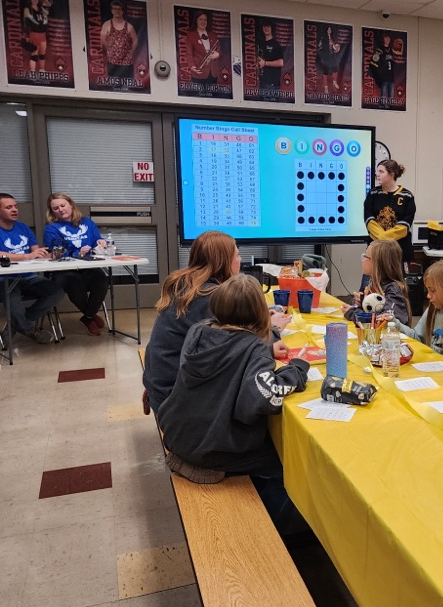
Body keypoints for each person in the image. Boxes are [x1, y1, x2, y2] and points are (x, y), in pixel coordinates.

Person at [156, 275, 309, 535]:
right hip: (211, 450)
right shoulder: (253, 348)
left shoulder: (199, 331)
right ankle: (267, 532)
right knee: (293, 465)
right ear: (261, 313)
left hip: (178, 433)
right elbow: (264, 398)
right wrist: (296, 370)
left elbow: (226, 359)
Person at [143, 231, 289, 415]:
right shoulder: (210, 296)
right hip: (174, 398)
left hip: (159, 384)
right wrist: (271, 328)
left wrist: (258, 316)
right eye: (237, 254)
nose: (240, 259)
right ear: (224, 261)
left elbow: (226, 333)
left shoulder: (187, 284)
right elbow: (234, 351)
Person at [43, 193, 110, 336]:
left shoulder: (87, 222)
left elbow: (96, 240)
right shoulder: (51, 228)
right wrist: (76, 253)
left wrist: (100, 244)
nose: (60, 210)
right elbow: (55, 252)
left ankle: (88, 317)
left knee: (101, 279)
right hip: (64, 269)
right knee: (73, 281)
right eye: (56, 208)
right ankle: (90, 315)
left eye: (63, 205)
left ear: (71, 205)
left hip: (87, 266)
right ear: (52, 212)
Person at [0, 192, 63, 345]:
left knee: (56, 291)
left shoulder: (23, 228)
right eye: (9, 207)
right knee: (12, 297)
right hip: (4, 279)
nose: (15, 210)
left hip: (28, 277)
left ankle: (17, 324)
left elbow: (35, 251)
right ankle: (29, 329)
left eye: (15, 206)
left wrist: (46, 255)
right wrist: (26, 256)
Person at [342, 239, 411, 325]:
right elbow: (372, 311)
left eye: (366, 257)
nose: (363, 260)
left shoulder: (393, 289)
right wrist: (361, 303)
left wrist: (353, 312)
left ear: (377, 263)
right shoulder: (371, 282)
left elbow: (384, 321)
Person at [364, 160, 416, 267]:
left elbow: (404, 226)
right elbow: (369, 219)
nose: (377, 174)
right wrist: (382, 237)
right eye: (377, 171)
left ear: (391, 174)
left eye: (381, 171)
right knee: (369, 282)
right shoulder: (373, 194)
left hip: (399, 253)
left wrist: (383, 238)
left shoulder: (407, 196)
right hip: (376, 252)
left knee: (398, 283)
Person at [99, 0, 137, 80]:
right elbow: (102, 39)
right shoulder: (107, 25)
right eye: (115, 8)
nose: (117, 11)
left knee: (128, 87)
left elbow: (135, 41)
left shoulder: (129, 26)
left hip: (127, 64)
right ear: (112, 10)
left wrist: (130, 53)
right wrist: (109, 50)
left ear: (122, 11)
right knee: (113, 86)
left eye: (119, 9)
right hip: (112, 63)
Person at [189, 11, 222, 86]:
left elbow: (219, 50)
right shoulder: (191, 36)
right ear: (196, 21)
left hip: (212, 72)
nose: (203, 22)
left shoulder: (213, 35)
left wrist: (217, 54)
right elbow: (189, 53)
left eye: (205, 20)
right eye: (200, 19)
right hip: (199, 71)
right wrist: (192, 66)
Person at [22, 0, 51, 72]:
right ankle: (33, 71)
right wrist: (26, 36)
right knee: (34, 53)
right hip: (34, 33)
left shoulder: (41, 9)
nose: (35, 0)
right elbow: (27, 20)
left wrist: (45, 3)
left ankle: (42, 70)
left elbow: (47, 13)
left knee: (42, 54)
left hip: (42, 33)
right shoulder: (28, 9)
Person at [257, 19, 284, 101]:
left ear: (272, 28)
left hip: (272, 83)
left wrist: (265, 63)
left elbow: (281, 63)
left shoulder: (275, 44)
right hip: (262, 81)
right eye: (264, 26)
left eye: (268, 26)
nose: (266, 28)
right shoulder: (261, 44)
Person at [368, 33, 395, 102]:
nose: (387, 39)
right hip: (384, 77)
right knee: (383, 96)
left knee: (391, 98)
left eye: (388, 38)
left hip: (391, 77)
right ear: (383, 39)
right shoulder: (380, 49)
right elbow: (374, 62)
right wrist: (379, 73)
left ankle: (390, 107)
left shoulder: (391, 50)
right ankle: (383, 106)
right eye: (386, 38)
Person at [316, 24, 341, 96]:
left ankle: (334, 81)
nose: (329, 31)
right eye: (328, 29)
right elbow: (319, 47)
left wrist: (336, 48)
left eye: (330, 30)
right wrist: (322, 56)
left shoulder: (334, 37)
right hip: (325, 56)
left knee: (335, 68)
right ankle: (325, 87)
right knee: (325, 71)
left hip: (332, 55)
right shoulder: (323, 38)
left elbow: (337, 46)